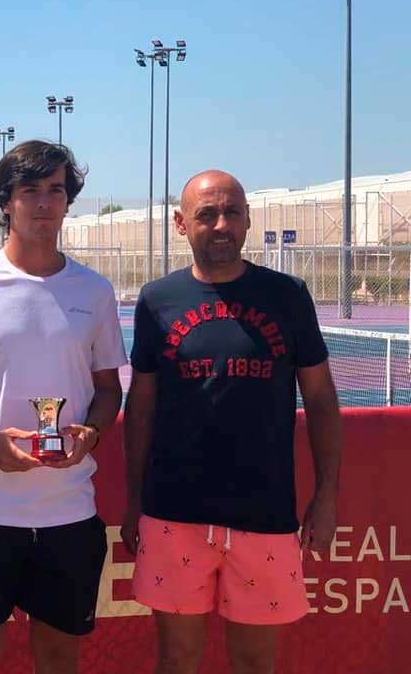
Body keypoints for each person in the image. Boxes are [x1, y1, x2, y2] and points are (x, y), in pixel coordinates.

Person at [121, 170, 342, 674]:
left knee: (254, 664)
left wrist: (327, 495)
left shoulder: (287, 295)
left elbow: (322, 401)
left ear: (246, 221)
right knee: (176, 660)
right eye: (206, 214)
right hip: (174, 514)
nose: (221, 225)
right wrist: (134, 501)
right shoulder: (157, 301)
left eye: (232, 213)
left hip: (265, 516)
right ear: (181, 223)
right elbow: (142, 408)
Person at [0, 140, 126, 674]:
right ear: (6, 201)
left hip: (69, 513)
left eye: (55, 190)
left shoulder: (95, 291)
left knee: (59, 660)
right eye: (29, 190)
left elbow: (109, 389)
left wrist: (91, 435)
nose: (43, 203)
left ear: (68, 200)